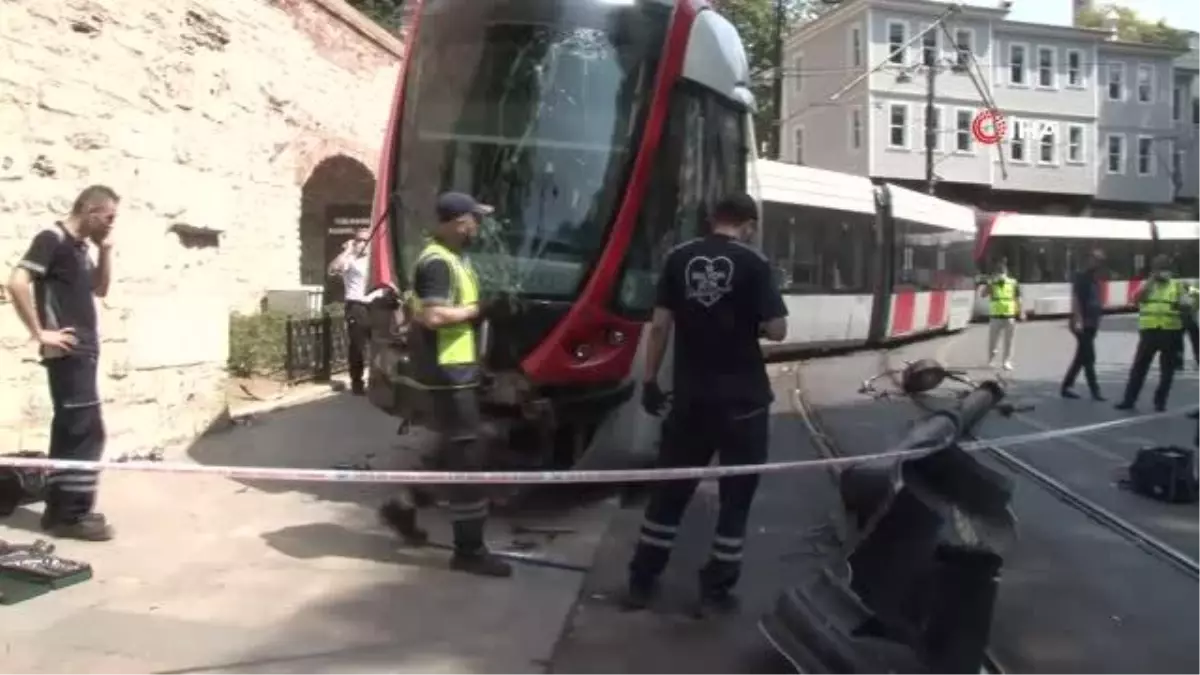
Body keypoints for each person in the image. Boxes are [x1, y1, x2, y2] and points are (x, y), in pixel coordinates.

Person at [622, 193, 789, 616]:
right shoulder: (755, 264)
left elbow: (659, 326)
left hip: (691, 399)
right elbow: (777, 331)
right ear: (748, 224)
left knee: (670, 494)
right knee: (736, 499)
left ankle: (642, 580)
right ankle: (714, 590)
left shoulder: (678, 258)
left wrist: (650, 381)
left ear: (712, 219)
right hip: (744, 403)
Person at [376, 192, 511, 578]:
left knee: (458, 448)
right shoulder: (437, 262)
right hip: (447, 374)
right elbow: (433, 317)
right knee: (468, 458)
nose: (477, 227)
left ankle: (402, 505)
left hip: (456, 370)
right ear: (456, 221)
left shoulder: (453, 259)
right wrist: (480, 310)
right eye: (474, 219)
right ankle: (468, 550)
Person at [4, 185, 119, 541]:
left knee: (75, 430)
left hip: (83, 353)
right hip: (67, 353)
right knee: (84, 432)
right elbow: (17, 282)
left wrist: (106, 251)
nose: (111, 224)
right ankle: (69, 516)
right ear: (88, 209)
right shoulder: (51, 239)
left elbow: (99, 289)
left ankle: (63, 509)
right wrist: (41, 333)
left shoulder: (80, 248)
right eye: (108, 217)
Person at [1115, 254, 1185, 412]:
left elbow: (1187, 305)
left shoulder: (1177, 286)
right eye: (1160, 269)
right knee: (1139, 368)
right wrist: (1149, 283)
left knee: (1167, 372)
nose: (1163, 272)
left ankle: (1160, 402)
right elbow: (1135, 300)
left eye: (1165, 269)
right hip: (1149, 332)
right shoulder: (1147, 285)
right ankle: (1129, 400)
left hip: (1170, 332)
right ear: (1154, 271)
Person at [327, 226, 373, 395]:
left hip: (376, 305)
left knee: (379, 345)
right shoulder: (350, 259)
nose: (363, 243)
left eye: (366, 240)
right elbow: (333, 270)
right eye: (359, 239)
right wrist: (347, 250)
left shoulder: (376, 260)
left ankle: (378, 381)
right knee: (358, 347)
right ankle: (357, 382)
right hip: (357, 305)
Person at [1061, 249, 1106, 401]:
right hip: (1082, 323)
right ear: (1089, 260)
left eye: (1100, 260)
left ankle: (1066, 386)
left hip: (1092, 323)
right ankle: (1095, 391)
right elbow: (1076, 300)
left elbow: (1095, 301)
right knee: (1089, 357)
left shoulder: (1096, 279)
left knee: (1081, 357)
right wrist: (1078, 319)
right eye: (1095, 260)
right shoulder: (1082, 277)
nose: (1097, 263)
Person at [980, 259, 1022, 370]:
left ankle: (1006, 362)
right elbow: (983, 294)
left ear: (1006, 273)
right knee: (993, 341)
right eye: (999, 272)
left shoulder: (1013, 283)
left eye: (1002, 272)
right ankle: (991, 360)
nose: (1001, 274)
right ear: (996, 273)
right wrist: (989, 284)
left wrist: (1021, 312)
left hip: (1009, 316)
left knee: (1009, 341)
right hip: (996, 316)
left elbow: (1018, 298)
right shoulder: (992, 283)